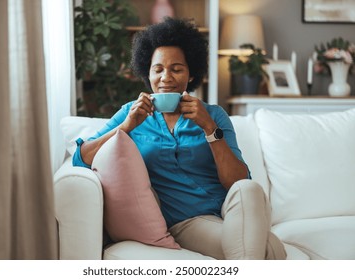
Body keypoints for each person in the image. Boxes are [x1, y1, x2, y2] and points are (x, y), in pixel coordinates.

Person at [73, 17, 286, 260]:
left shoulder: (213, 115)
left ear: (191, 73)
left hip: (234, 210)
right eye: (158, 69)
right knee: (271, 249)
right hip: (189, 222)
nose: (166, 77)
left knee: (249, 188)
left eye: (176, 69)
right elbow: (82, 159)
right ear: (147, 72)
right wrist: (126, 126)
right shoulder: (131, 113)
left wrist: (208, 127)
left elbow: (238, 181)